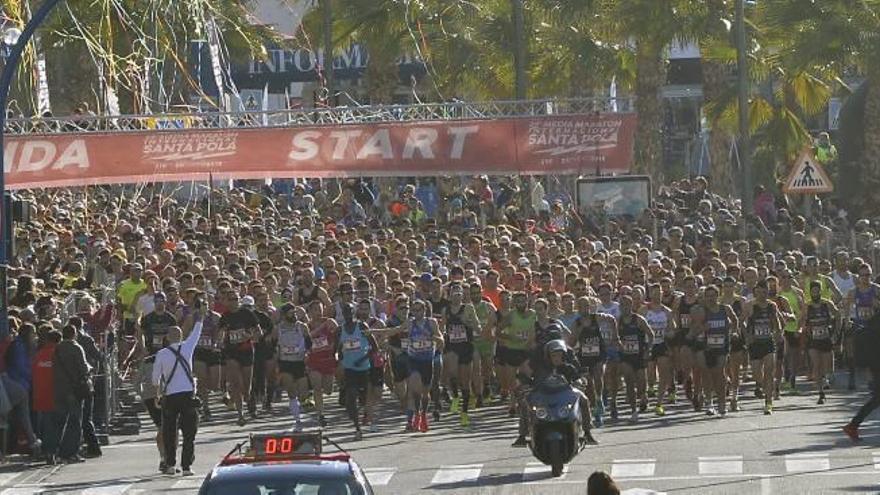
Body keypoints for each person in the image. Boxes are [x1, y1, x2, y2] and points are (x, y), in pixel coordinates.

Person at [152, 296, 205, 476]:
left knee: (169, 432)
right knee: (189, 433)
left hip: (170, 396)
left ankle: (170, 464)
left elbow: (155, 379)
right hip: (188, 395)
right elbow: (197, 330)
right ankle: (187, 466)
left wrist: (158, 395)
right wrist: (200, 314)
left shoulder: (161, 354)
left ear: (167, 338)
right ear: (181, 336)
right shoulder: (187, 347)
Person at [53, 324, 91, 463]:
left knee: (59, 421)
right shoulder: (76, 347)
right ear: (74, 334)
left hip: (59, 388)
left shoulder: (57, 348)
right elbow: (83, 368)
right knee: (75, 421)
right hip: (74, 389)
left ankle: (54, 451)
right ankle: (71, 452)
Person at [801, 280, 838, 404]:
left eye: (817, 291)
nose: (815, 293)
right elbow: (802, 319)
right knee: (816, 364)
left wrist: (836, 331)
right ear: (810, 292)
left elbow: (838, 315)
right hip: (813, 339)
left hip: (826, 338)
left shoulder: (827, 304)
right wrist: (801, 329)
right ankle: (821, 393)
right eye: (813, 291)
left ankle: (826, 377)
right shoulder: (807, 305)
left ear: (820, 291)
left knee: (826, 364)